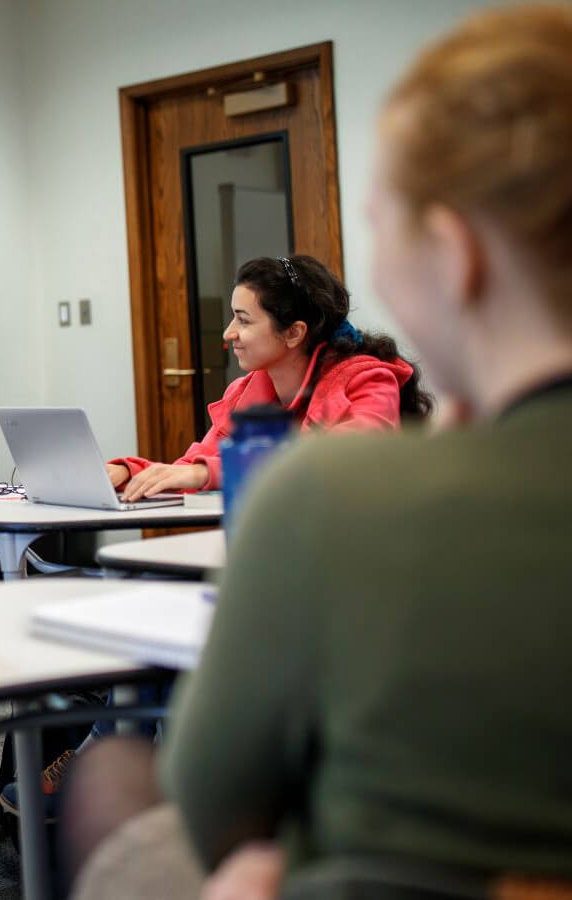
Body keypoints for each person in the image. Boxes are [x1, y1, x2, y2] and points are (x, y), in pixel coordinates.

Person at [64, 4, 572, 897]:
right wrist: (148, 469)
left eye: (385, 228)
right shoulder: (277, 416)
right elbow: (205, 448)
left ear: (455, 256)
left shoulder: (331, 480)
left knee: (116, 777)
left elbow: (212, 800)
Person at [107, 254, 431, 500]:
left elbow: (335, 462)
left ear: (293, 332)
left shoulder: (368, 381)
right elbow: (192, 467)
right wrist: (127, 472)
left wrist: (207, 472)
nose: (228, 332)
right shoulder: (246, 390)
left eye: (243, 320)